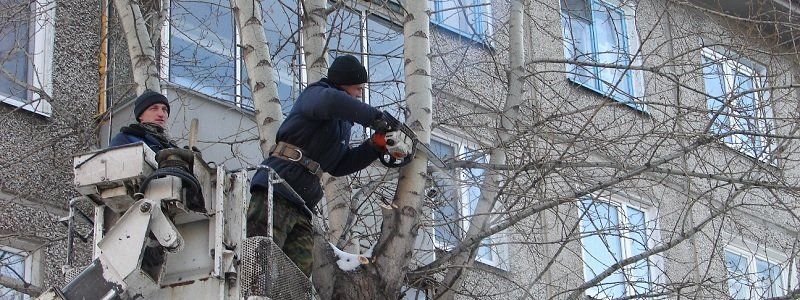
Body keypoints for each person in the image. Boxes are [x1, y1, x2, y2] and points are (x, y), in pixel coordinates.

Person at [246, 55, 399, 276]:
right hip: (277, 188)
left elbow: (339, 164)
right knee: (261, 262)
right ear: (344, 83)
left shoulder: (340, 124)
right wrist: (375, 118)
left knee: (297, 277)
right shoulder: (317, 95)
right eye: (358, 87)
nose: (361, 93)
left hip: (302, 202)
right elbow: (333, 102)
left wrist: (374, 146)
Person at [110, 90, 178, 152]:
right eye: (154, 108)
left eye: (164, 109)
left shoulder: (172, 148)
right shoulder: (125, 139)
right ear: (140, 115)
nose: (161, 114)